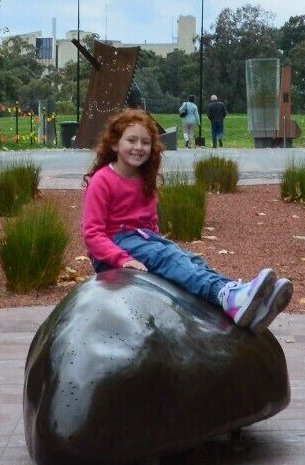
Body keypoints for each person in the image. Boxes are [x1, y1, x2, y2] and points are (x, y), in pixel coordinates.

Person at [82, 109, 290, 329]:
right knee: (168, 258)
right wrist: (122, 259)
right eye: (131, 140)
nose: (139, 147)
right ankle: (226, 294)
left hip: (143, 242)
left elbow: (150, 225)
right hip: (114, 248)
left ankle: (241, 299)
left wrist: (158, 244)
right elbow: (92, 234)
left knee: (191, 261)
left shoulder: (145, 180)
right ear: (115, 144)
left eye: (145, 142)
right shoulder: (102, 180)